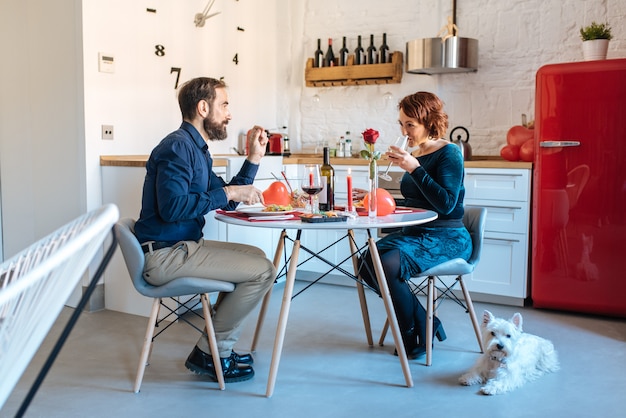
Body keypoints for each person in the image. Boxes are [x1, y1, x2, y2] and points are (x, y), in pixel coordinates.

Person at [134, 77, 276, 383]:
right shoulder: (177, 147)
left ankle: (212, 346)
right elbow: (173, 208)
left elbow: (226, 197)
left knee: (258, 257)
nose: (229, 113)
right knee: (263, 270)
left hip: (182, 247)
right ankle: (214, 352)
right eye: (224, 104)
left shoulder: (195, 149)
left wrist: (253, 158)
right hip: (166, 256)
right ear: (203, 107)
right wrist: (229, 195)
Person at [358, 91, 472, 359]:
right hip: (417, 233)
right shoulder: (416, 152)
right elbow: (415, 201)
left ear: (429, 122)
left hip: (448, 236)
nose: (404, 130)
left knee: (386, 264)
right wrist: (374, 196)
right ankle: (425, 322)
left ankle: (409, 332)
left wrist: (415, 169)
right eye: (401, 123)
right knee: (366, 262)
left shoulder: (449, 154)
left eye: (410, 124)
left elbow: (445, 204)